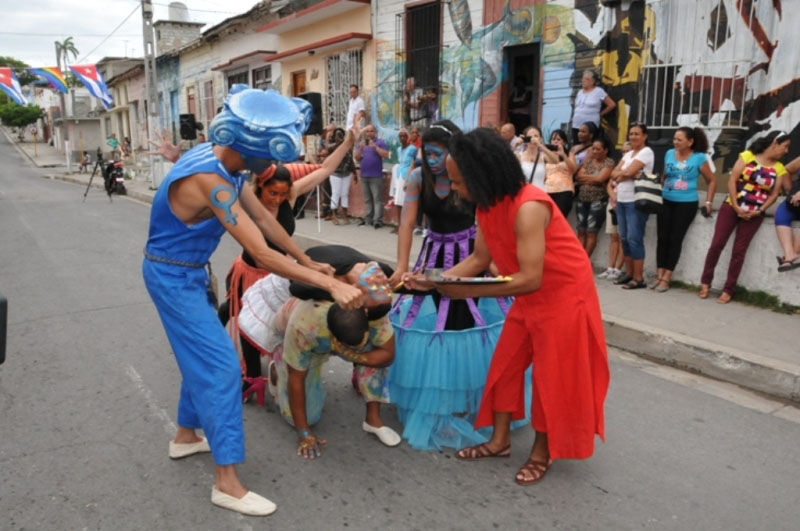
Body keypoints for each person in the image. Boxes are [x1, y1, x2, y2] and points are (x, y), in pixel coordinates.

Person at [141, 85, 363, 517]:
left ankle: (186, 436)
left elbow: (264, 220)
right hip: (171, 277)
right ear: (257, 148)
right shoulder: (212, 178)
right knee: (222, 367)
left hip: (186, 272)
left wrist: (306, 261)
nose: (276, 165)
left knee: (199, 355)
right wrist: (334, 287)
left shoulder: (228, 164)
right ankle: (226, 482)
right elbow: (260, 254)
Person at [403, 128, 609, 485]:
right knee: (504, 366)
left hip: (563, 297)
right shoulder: (485, 207)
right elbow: (479, 259)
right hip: (530, 294)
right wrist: (435, 281)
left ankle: (542, 453)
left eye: (458, 181)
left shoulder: (529, 206)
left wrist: (465, 292)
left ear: (482, 176)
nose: (453, 188)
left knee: (550, 378)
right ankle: (498, 442)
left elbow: (531, 278)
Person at [387, 120, 511, 451]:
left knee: (465, 324)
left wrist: (495, 263)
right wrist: (401, 266)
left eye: (436, 153)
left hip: (470, 256)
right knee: (431, 327)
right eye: (425, 153)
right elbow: (407, 222)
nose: (430, 159)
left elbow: (489, 226)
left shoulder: (470, 180)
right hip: (433, 256)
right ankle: (437, 400)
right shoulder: (416, 178)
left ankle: (464, 400)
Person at [269, 290, 401, 459]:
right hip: (293, 337)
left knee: (375, 354)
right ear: (335, 339)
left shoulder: (373, 309)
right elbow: (296, 379)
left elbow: (387, 355)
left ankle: (372, 419)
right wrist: (303, 432)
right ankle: (276, 371)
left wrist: (357, 355)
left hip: (337, 338)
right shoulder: (303, 327)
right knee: (307, 418)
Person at [700, 131, 790, 303]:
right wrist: (735, 205)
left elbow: (774, 194)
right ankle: (705, 282)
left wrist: (760, 210)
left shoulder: (779, 168)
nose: (786, 151)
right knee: (717, 244)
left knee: (739, 252)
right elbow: (732, 180)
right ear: (774, 143)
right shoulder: (748, 155)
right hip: (731, 207)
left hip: (754, 214)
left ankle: (728, 289)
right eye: (785, 146)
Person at [653, 127, 717, 292]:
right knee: (662, 237)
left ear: (690, 142)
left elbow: (712, 180)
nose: (675, 142)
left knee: (675, 239)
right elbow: (664, 175)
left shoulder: (699, 158)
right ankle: (658, 275)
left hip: (686, 203)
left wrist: (708, 202)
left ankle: (667, 277)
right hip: (666, 200)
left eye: (679, 140)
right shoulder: (669, 154)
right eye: (674, 139)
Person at [610, 123, 655, 290]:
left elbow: (625, 173)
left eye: (637, 134)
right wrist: (624, 174)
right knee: (625, 239)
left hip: (636, 201)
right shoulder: (629, 153)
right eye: (631, 134)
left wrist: (623, 174)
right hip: (622, 199)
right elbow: (614, 172)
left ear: (644, 136)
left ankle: (638, 277)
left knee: (634, 239)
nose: (633, 137)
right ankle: (629, 273)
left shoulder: (646, 152)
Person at [574, 136, 614, 257]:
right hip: (582, 199)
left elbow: (601, 178)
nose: (595, 151)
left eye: (598, 149)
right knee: (581, 230)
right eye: (593, 149)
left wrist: (589, 178)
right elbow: (578, 177)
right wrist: (594, 179)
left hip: (597, 201)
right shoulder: (588, 162)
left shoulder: (609, 162)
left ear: (605, 150)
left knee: (591, 232)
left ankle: (585, 261)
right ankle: (579, 260)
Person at [598, 142, 629, 280]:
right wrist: (613, 196)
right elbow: (610, 186)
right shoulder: (618, 167)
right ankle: (610, 268)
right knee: (613, 237)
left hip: (625, 204)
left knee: (623, 238)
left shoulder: (634, 168)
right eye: (623, 151)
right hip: (613, 204)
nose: (625, 154)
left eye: (628, 151)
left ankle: (618, 269)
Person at [355, 124, 389, 228]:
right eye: (367, 131)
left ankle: (377, 220)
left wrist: (375, 147)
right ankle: (368, 219)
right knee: (367, 199)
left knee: (377, 199)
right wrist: (361, 148)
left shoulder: (380, 142)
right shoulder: (361, 144)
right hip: (364, 175)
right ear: (365, 133)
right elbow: (356, 158)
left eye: (371, 131)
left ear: (375, 132)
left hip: (376, 175)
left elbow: (386, 155)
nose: (369, 133)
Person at [571, 70, 616, 144]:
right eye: (582, 78)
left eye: (585, 79)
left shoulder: (598, 91)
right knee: (576, 146)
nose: (582, 81)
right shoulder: (580, 92)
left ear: (592, 81)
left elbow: (611, 104)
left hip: (590, 126)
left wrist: (601, 114)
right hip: (576, 125)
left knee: (590, 145)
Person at [388, 128, 418, 234]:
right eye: (400, 136)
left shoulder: (413, 149)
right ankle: (399, 224)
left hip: (406, 176)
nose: (402, 138)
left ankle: (406, 225)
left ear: (407, 137)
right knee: (397, 201)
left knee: (405, 202)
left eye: (404, 136)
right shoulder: (398, 149)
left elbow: (414, 163)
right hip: (398, 175)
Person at [325, 127, 356, 225]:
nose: (340, 137)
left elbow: (351, 160)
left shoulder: (347, 146)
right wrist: (329, 138)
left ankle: (344, 214)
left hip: (346, 173)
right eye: (337, 135)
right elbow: (328, 149)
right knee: (335, 194)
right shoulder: (332, 146)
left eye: (341, 135)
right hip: (335, 174)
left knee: (344, 194)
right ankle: (334, 214)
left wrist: (355, 173)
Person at [543, 130, 577, 218]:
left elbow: (573, 170)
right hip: (547, 190)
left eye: (559, 139)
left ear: (564, 142)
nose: (556, 141)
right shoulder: (545, 154)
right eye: (553, 139)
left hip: (564, 191)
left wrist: (563, 155)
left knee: (559, 218)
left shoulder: (569, 154)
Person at [774, 157, 800, 271]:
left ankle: (790, 256)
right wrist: (790, 191)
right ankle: (789, 254)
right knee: (781, 213)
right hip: (796, 202)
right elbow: (786, 170)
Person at [515, 126, 547, 190]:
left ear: (540, 139)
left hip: (541, 193)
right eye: (529, 136)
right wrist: (516, 145)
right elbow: (504, 160)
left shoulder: (544, 156)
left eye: (536, 136)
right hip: (525, 194)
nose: (532, 139)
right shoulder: (519, 156)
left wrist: (540, 145)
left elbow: (556, 160)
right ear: (525, 138)